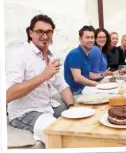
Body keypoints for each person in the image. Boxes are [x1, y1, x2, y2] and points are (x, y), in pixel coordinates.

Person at [6, 14, 75, 144]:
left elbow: (62, 86)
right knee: (60, 133)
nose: (45, 36)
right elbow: (8, 95)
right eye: (39, 32)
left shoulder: (51, 56)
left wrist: (72, 107)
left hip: (48, 107)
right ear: (30, 33)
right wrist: (44, 76)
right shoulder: (20, 56)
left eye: (48, 32)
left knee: (81, 116)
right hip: (25, 113)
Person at [64, 26, 111, 96]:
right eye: (87, 37)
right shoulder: (76, 53)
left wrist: (103, 74)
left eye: (92, 37)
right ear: (80, 39)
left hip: (85, 90)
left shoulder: (87, 54)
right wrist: (97, 84)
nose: (90, 40)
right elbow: (77, 78)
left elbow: (87, 74)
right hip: (76, 93)